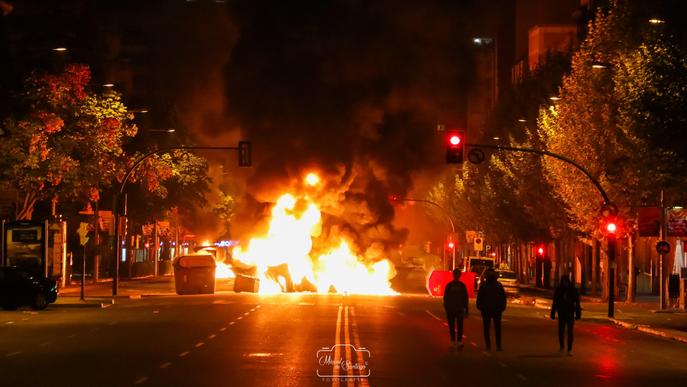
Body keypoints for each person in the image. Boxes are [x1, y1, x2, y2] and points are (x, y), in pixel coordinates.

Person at [476, 268, 507, 351]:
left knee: (487, 328)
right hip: (496, 309)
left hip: (487, 310)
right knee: (497, 329)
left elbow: (479, 298)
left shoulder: (484, 285)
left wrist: (480, 307)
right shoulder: (498, 285)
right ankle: (498, 345)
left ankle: (488, 345)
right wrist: (502, 307)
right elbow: (503, 298)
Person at [550, 275, 582, 355]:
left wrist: (578, 313)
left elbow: (577, 303)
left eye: (566, 282)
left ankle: (569, 349)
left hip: (570, 313)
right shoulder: (559, 290)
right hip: (562, 313)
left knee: (570, 331)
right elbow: (555, 302)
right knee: (561, 331)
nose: (565, 283)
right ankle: (562, 346)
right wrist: (553, 313)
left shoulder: (573, 290)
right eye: (564, 282)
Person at [443, 269, 469, 349]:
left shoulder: (462, 286)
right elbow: (446, 297)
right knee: (451, 326)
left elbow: (465, 298)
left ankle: (459, 341)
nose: (456, 276)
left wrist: (466, 309)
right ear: (453, 275)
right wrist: (446, 306)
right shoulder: (449, 285)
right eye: (455, 274)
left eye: (458, 274)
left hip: (459, 308)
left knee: (460, 325)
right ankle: (453, 341)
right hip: (451, 308)